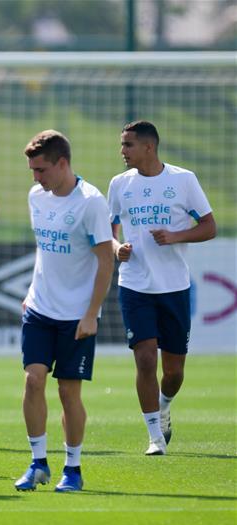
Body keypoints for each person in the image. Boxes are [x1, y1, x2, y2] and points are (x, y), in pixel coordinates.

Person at [108, 121, 216, 456]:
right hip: (135, 286)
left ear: (148, 147)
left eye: (128, 145)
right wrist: (116, 249)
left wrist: (175, 237)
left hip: (174, 288)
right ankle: (154, 435)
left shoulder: (183, 180)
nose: (122, 151)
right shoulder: (119, 184)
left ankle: (164, 405)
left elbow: (209, 226)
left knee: (173, 371)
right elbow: (110, 229)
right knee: (143, 359)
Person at [14, 130, 113, 493]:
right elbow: (46, 252)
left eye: (41, 170)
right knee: (33, 379)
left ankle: (73, 468)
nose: (35, 178)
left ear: (62, 163)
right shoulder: (36, 196)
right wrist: (30, 290)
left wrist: (91, 314)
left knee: (69, 393)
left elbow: (105, 262)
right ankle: (38, 462)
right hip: (40, 308)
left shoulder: (91, 203)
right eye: (32, 171)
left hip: (76, 316)